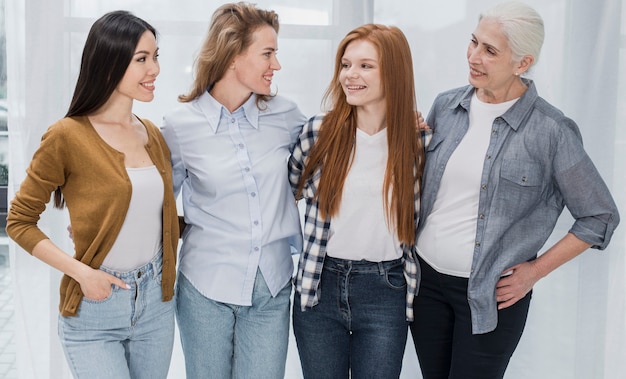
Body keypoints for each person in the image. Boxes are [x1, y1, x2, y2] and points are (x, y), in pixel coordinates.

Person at [409, 2, 620, 378]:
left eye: (490, 50)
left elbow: (599, 215)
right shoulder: (446, 105)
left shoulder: (552, 131)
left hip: (492, 298)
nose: (474, 56)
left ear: (523, 63)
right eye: (474, 42)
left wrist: (534, 271)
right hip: (426, 285)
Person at [6, 10, 179, 379]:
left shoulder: (152, 134)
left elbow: (156, 218)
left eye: (156, 56)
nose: (156, 70)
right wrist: (82, 273)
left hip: (155, 308)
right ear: (108, 64)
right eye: (142, 60)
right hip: (96, 307)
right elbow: (19, 222)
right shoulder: (66, 136)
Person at [160, 2, 307, 378]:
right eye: (268, 53)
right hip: (205, 286)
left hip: (271, 288)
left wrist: (403, 122)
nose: (276, 65)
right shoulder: (180, 126)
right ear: (231, 56)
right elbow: (157, 204)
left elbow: (339, 147)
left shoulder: (287, 116)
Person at [289, 24, 425, 378]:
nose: (350, 75)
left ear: (393, 72)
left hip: (386, 290)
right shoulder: (318, 133)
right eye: (346, 64)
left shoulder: (417, 144)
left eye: (366, 66)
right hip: (320, 286)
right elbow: (285, 195)